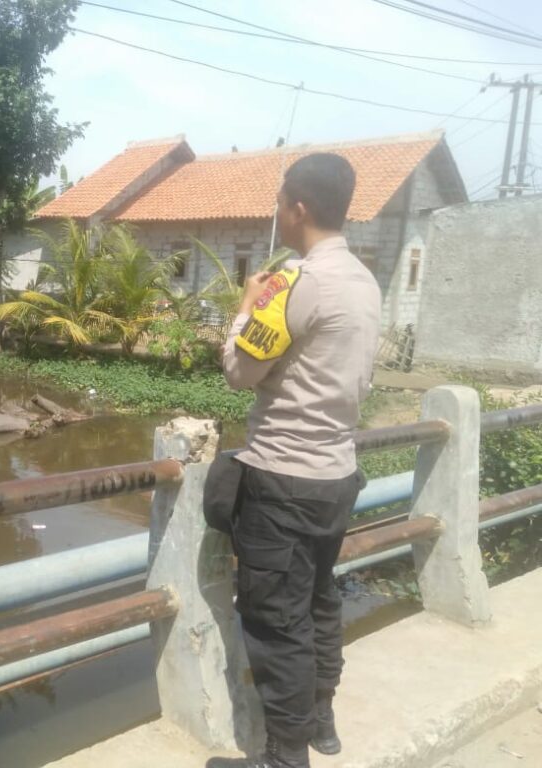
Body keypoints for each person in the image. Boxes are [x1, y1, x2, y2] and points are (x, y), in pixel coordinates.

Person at [206, 153, 381, 768]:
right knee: (317, 600)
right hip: (336, 474)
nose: (277, 213)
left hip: (283, 479)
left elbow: (238, 371)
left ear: (298, 208)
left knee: (277, 620)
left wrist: (246, 305)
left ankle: (285, 757)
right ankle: (322, 722)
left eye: (280, 201)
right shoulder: (363, 279)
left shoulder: (292, 285)